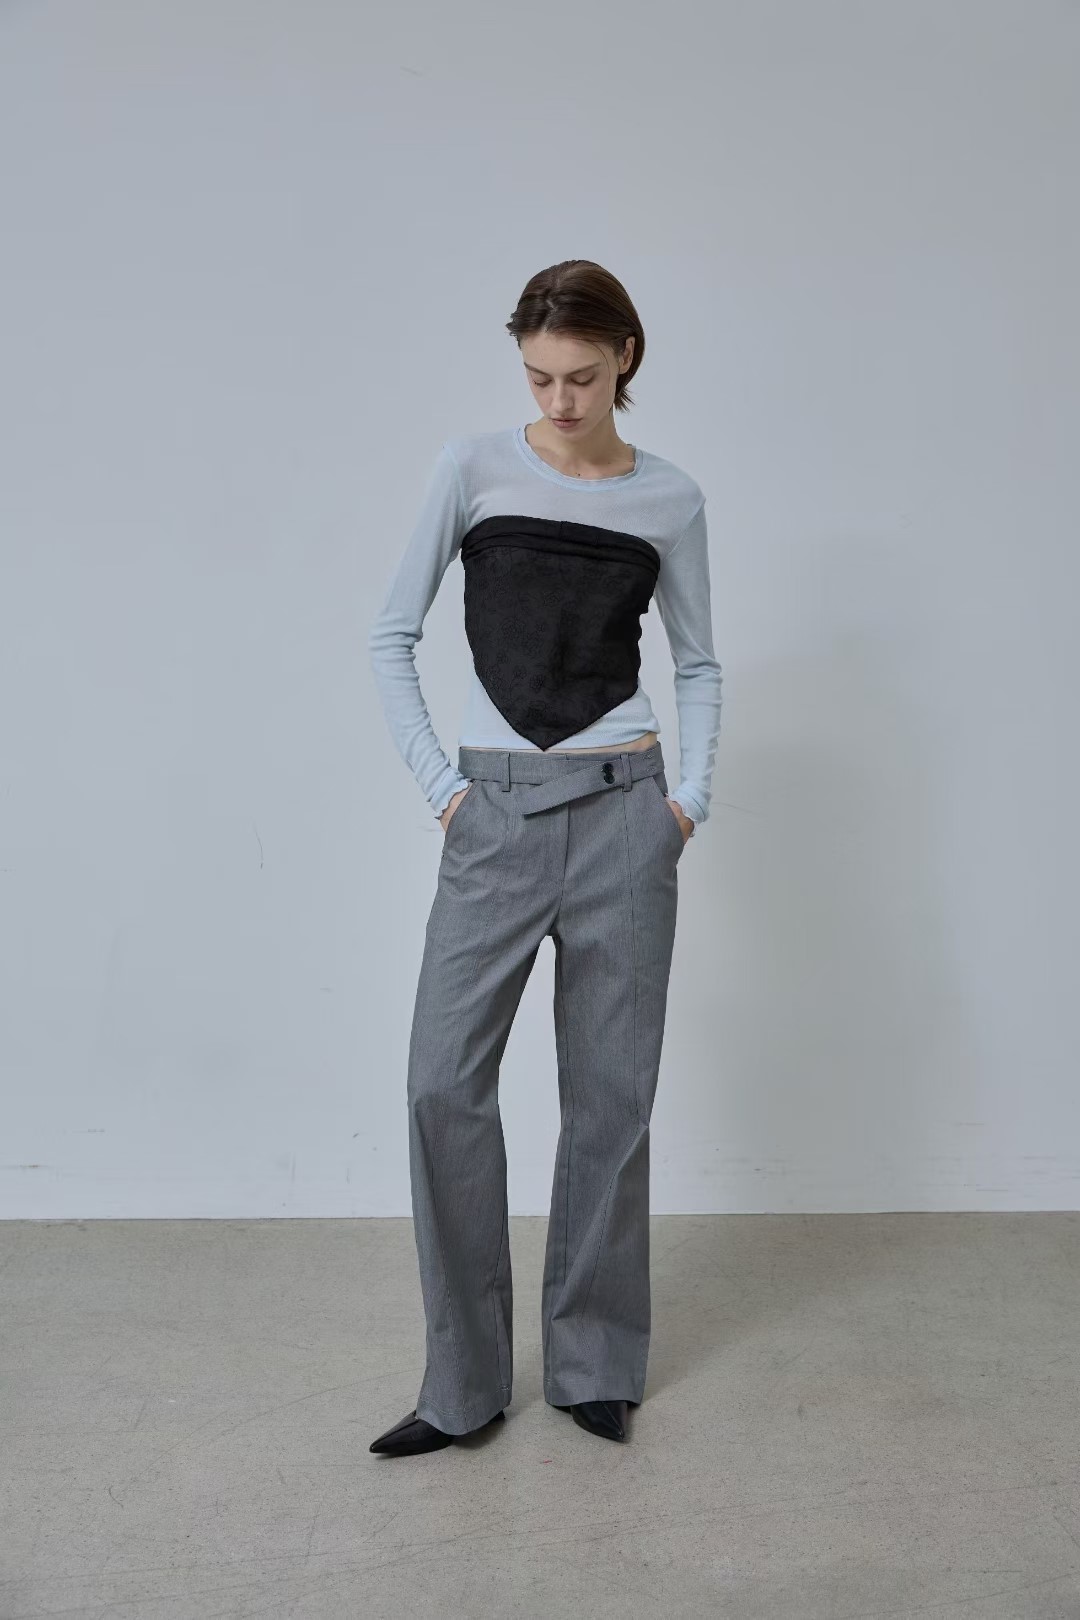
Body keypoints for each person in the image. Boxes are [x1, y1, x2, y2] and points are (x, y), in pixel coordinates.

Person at [366, 260, 723, 1454]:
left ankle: (594, 1364)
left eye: (581, 377)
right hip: (498, 816)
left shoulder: (670, 498)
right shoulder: (473, 470)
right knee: (440, 1083)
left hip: (626, 812)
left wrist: (687, 802)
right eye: (537, 378)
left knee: (612, 1097)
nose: (560, 401)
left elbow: (697, 661)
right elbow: (390, 633)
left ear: (625, 357)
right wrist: (444, 790)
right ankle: (462, 1387)